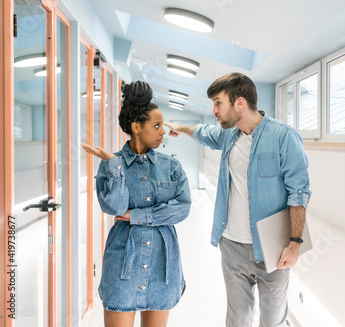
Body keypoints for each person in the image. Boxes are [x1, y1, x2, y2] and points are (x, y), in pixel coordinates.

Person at [164, 72, 311, 327]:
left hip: (272, 250)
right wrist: (180, 128)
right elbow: (203, 132)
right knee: (237, 319)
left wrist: (295, 242)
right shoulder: (229, 135)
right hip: (231, 245)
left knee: (273, 319)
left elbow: (298, 192)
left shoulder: (283, 136)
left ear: (239, 103)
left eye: (219, 103)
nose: (214, 110)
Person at [82, 81, 191, 327]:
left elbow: (182, 208)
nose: (163, 132)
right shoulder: (111, 164)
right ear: (136, 127)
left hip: (162, 265)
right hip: (123, 265)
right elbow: (114, 208)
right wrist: (115, 168)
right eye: (156, 126)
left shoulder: (171, 166)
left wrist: (138, 216)